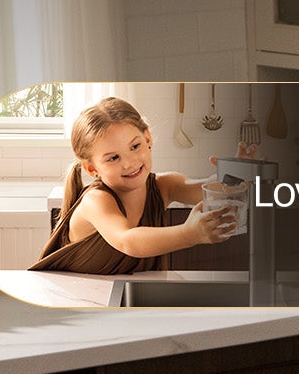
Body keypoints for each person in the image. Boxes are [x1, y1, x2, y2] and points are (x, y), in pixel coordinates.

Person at [30, 96, 238, 273]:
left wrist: (234, 177)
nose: (129, 163)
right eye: (113, 158)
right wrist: (188, 234)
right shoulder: (96, 200)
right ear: (92, 169)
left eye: (135, 146)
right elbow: (127, 240)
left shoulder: (162, 185)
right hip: (75, 299)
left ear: (147, 138)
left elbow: (202, 189)